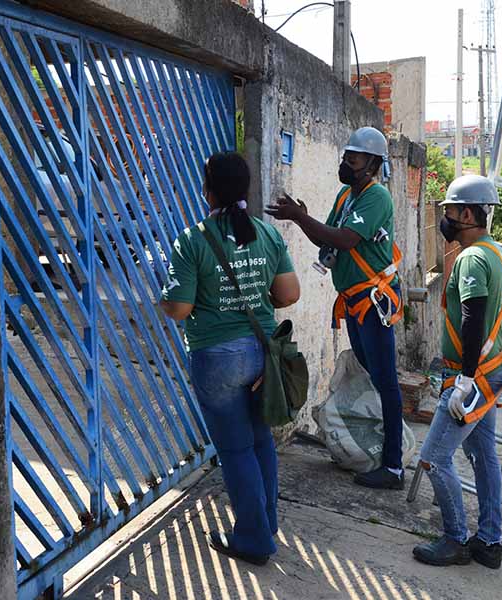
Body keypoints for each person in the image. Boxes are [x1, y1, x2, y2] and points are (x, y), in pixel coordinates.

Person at [159, 152, 300, 566]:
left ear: (208, 191)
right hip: (261, 355)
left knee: (236, 451)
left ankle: (254, 540)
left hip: (216, 359)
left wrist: (166, 300)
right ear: (246, 190)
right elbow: (289, 295)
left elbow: (180, 308)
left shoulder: (192, 239)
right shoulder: (265, 233)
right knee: (260, 443)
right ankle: (266, 523)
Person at [265, 127, 405, 490]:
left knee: (385, 380)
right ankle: (379, 447)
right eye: (345, 156)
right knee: (372, 375)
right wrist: (304, 218)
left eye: (353, 159)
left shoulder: (377, 199)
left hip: (373, 303)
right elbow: (326, 237)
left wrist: (299, 217)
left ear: (372, 163)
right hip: (355, 302)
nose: (345, 163)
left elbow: (344, 239)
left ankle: (393, 466)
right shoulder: (347, 196)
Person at [412, 174, 502, 570]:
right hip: (490, 372)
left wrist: (464, 380)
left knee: (434, 459)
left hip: (471, 377)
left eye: (452, 211)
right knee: (483, 455)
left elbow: (475, 319)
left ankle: (456, 538)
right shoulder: (498, 255)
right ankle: (490, 542)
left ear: (470, 213)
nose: (447, 218)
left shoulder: (474, 258)